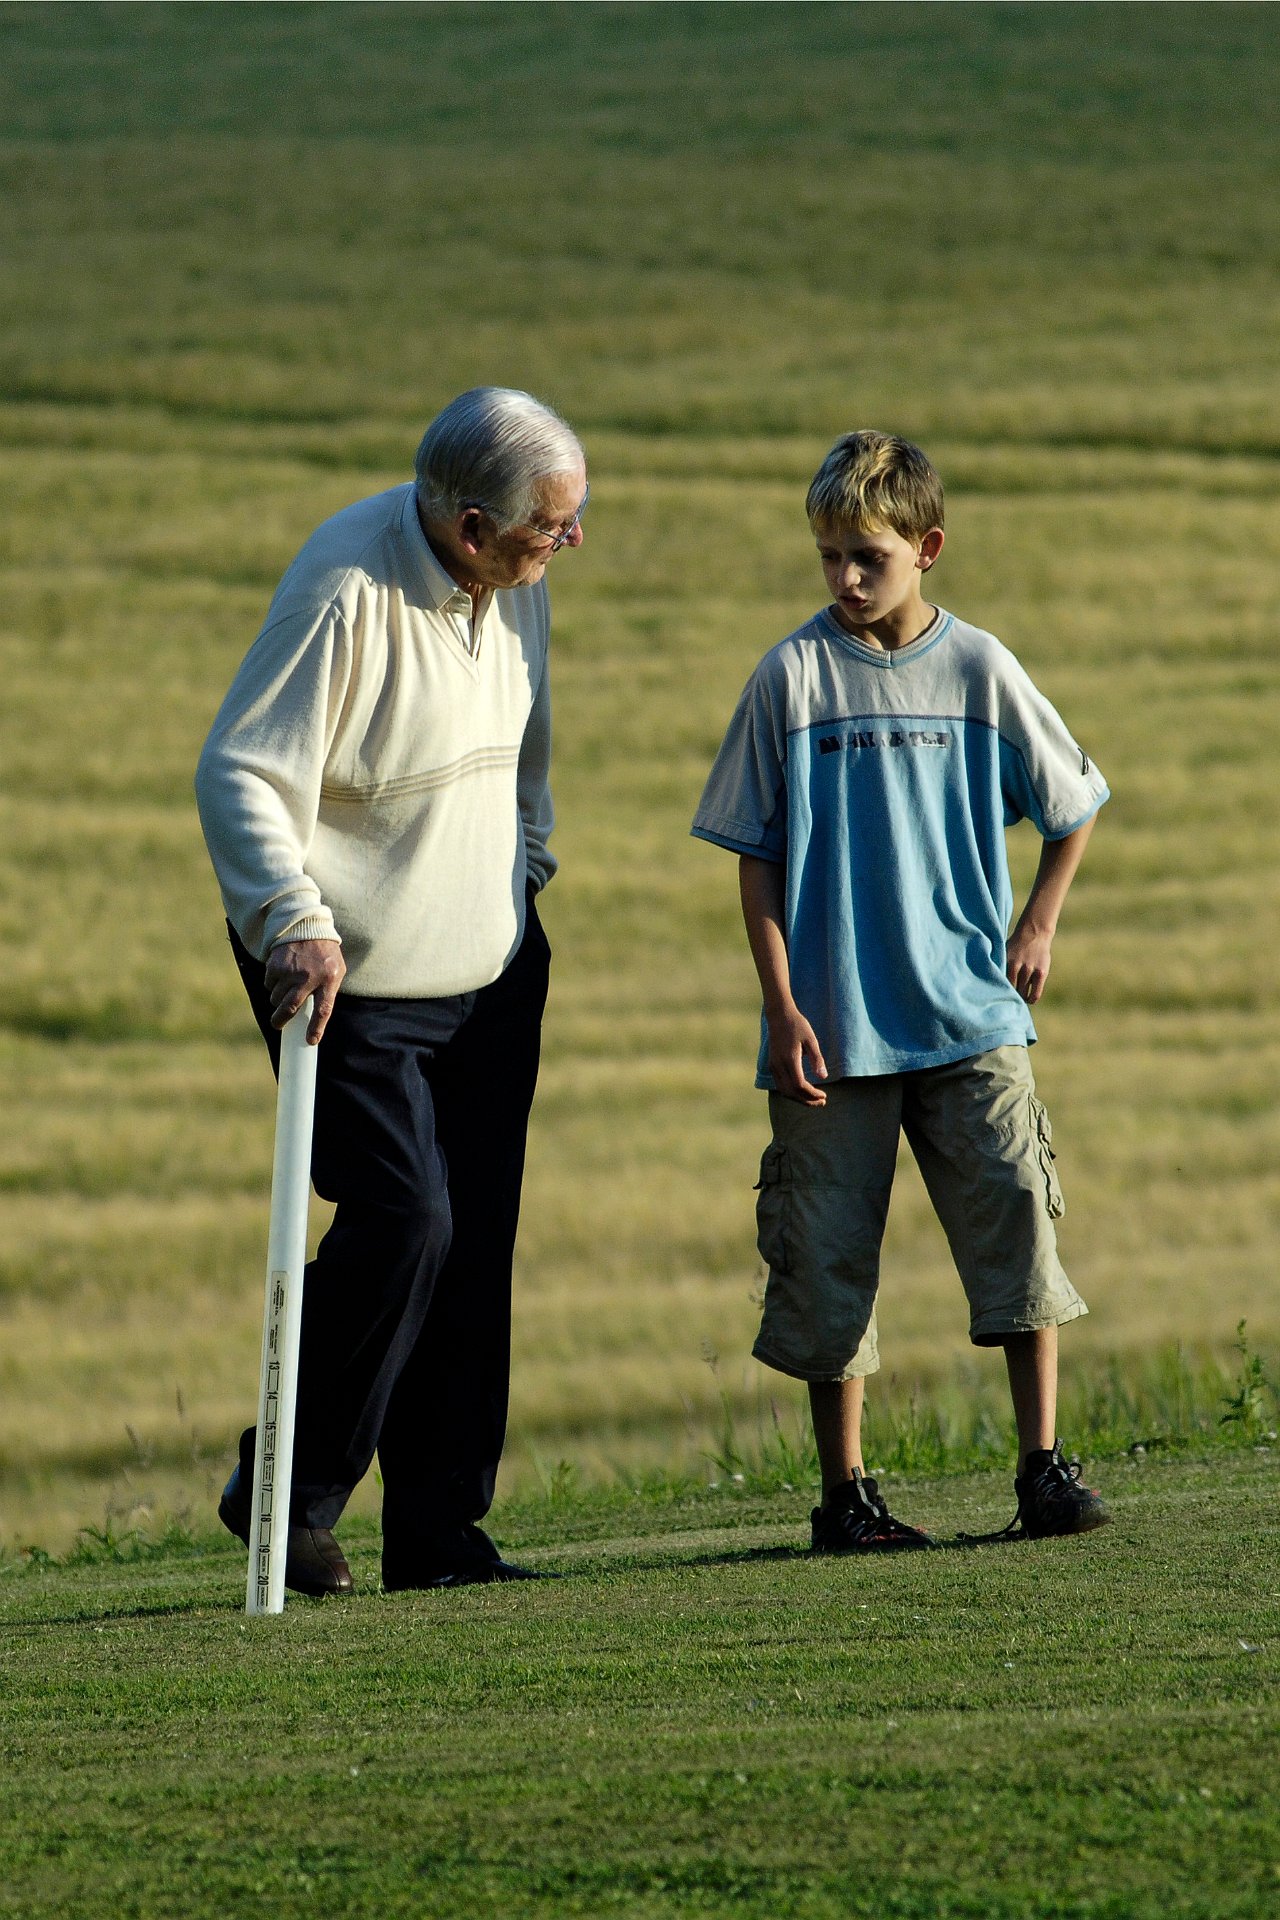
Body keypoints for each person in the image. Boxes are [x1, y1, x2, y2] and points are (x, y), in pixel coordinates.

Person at [196, 386, 587, 1594]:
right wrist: (292, 922)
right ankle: (287, 1495)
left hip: (492, 966)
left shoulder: (513, 582)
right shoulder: (344, 587)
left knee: (474, 1242)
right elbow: (238, 772)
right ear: (469, 527)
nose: (569, 542)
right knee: (406, 1219)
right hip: (347, 977)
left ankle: (436, 1531)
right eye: (550, 526)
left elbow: (526, 745)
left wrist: (525, 867)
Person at [692, 430, 1110, 1552]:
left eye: (866, 557)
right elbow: (755, 856)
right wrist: (782, 1006)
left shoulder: (979, 668)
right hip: (832, 1032)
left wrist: (1037, 922)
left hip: (971, 1012)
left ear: (927, 548)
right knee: (825, 1257)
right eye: (827, 555)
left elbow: (1071, 804)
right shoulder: (788, 678)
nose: (843, 577)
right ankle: (846, 1499)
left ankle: (1043, 1471)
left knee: (1016, 1220)